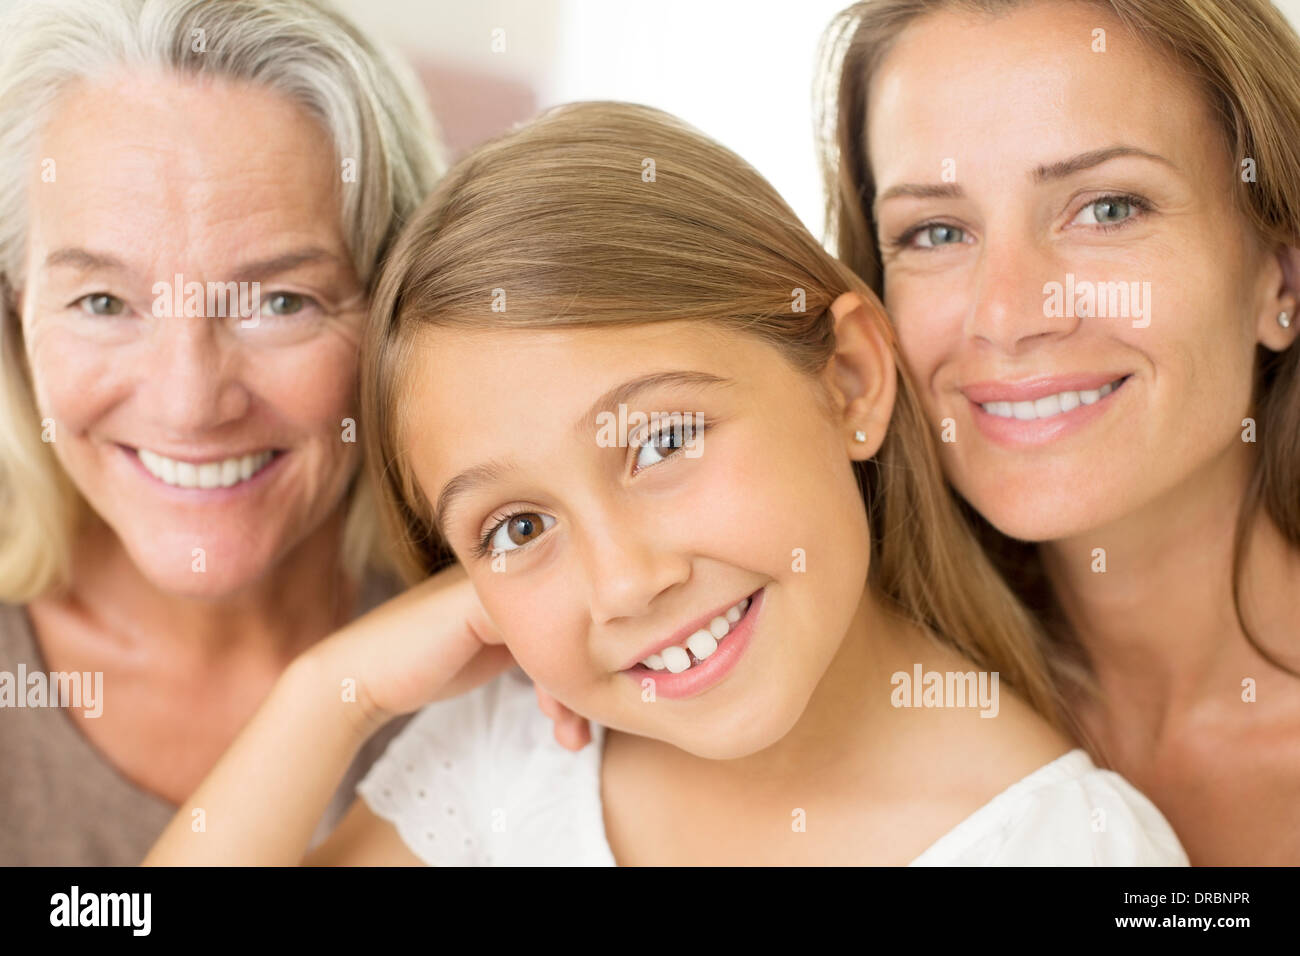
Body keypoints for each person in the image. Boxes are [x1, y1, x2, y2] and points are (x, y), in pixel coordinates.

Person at [144, 101, 1187, 866]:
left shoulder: (1070, 847)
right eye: (516, 525)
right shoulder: (515, 756)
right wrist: (330, 694)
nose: (625, 580)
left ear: (849, 379)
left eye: (661, 440)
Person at [818, 0, 1300, 863]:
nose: (1007, 316)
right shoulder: (827, 699)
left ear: (1281, 273)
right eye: (935, 231)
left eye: (1108, 208)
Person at [0, 0, 452, 864]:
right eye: (104, 302)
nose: (188, 403)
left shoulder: (518, 655)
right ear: (15, 312)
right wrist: (324, 703)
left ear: (399, 314)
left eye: (282, 302)